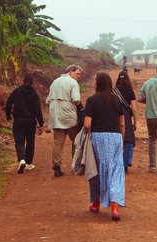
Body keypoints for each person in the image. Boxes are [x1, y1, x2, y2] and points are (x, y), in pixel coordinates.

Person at [80, 72, 129, 218]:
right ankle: (115, 208)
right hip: (116, 137)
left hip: (99, 137)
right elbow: (122, 124)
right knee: (116, 170)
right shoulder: (117, 100)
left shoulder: (92, 100)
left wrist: (88, 134)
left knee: (96, 169)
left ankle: (96, 203)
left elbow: (87, 124)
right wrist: (121, 139)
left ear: (98, 84)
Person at [46, 65, 82, 176]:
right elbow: (76, 100)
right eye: (77, 73)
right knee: (76, 141)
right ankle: (76, 165)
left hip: (56, 116)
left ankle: (57, 166)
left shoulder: (55, 82)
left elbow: (48, 101)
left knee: (58, 142)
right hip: (69, 116)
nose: (79, 76)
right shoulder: (73, 83)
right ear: (70, 72)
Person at [4, 72, 43, 172]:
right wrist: (41, 124)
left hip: (18, 120)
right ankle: (28, 163)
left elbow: (8, 103)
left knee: (19, 141)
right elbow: (38, 109)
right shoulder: (34, 93)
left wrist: (8, 115)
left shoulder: (17, 91)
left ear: (23, 81)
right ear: (32, 82)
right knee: (30, 142)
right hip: (31, 121)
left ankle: (21, 159)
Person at [114, 67, 139, 170]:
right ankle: (126, 162)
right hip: (127, 117)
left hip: (116, 116)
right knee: (128, 138)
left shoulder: (114, 91)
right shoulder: (130, 91)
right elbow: (134, 109)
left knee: (117, 137)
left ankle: (117, 162)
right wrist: (135, 122)